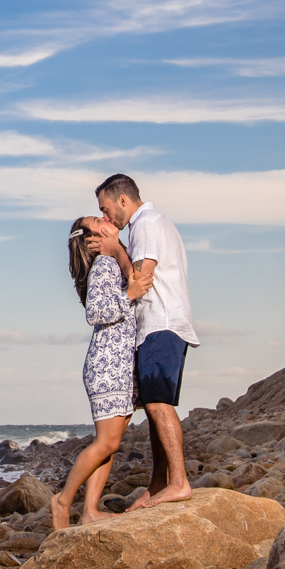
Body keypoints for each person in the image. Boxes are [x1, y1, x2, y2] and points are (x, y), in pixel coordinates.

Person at [87, 173, 200, 509]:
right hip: (160, 325)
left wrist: (114, 249)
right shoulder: (149, 223)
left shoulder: (147, 224)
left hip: (160, 324)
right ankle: (159, 483)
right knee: (154, 406)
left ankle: (179, 482)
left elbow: (141, 278)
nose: (106, 217)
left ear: (123, 200)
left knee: (156, 404)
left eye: (106, 209)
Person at [49, 215, 151, 530]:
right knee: (106, 443)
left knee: (110, 442)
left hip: (119, 365)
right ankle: (63, 501)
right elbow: (94, 312)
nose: (106, 218)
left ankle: (90, 511)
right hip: (107, 365)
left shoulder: (113, 262)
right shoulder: (103, 266)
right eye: (98, 219)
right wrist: (130, 295)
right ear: (93, 237)